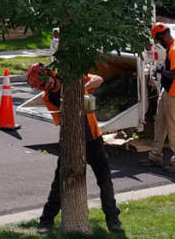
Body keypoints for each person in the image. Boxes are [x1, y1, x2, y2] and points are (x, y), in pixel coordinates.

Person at [27, 62, 122, 234]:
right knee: (59, 183)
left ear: (49, 73)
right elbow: (60, 122)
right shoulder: (47, 98)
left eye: (45, 82)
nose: (46, 86)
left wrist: (83, 88)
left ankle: (113, 220)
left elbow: (99, 79)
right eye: (42, 86)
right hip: (71, 141)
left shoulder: (71, 77)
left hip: (93, 138)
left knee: (105, 180)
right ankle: (46, 221)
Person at [147, 22, 175, 172]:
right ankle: (155, 156)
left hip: (174, 93)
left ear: (162, 37)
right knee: (160, 123)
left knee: (173, 128)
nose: (159, 43)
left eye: (158, 40)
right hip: (168, 91)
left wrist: (160, 70)